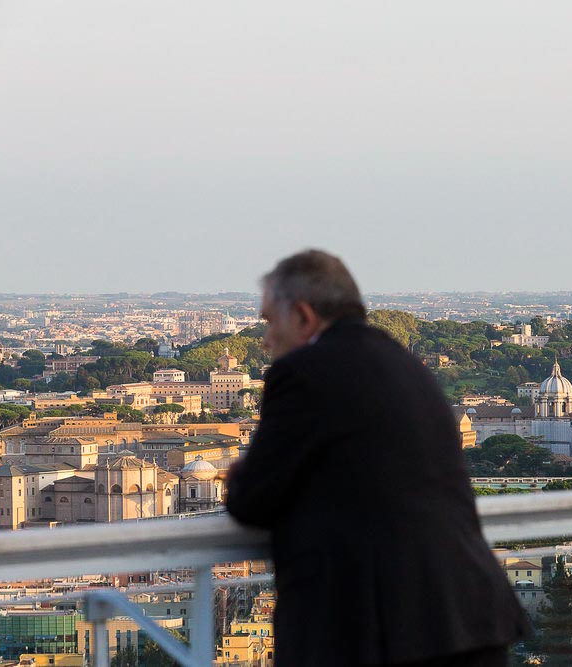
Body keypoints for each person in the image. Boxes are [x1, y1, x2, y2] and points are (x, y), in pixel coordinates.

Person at [226, 249, 529, 666]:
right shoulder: (405, 364)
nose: (264, 338)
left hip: (382, 631)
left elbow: (252, 499)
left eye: (267, 321)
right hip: (467, 615)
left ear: (302, 316)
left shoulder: (304, 373)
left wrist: (242, 473)